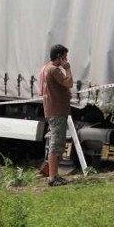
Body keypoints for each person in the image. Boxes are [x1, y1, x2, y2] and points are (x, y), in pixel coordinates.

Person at [39, 44, 74, 187]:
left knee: (58, 143)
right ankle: (53, 177)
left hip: (54, 110)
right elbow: (69, 83)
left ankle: (53, 174)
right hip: (57, 111)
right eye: (64, 57)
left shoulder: (46, 68)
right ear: (60, 57)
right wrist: (68, 68)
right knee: (56, 143)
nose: (66, 59)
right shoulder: (54, 69)